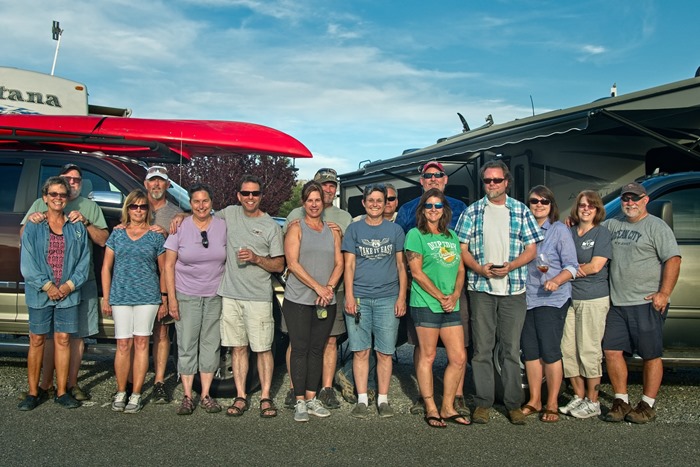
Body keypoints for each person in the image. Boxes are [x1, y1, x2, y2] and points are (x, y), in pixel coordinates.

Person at [455, 160, 542, 425]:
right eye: (487, 181)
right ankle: (483, 403)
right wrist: (480, 270)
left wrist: (511, 266)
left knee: (510, 350)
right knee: (482, 349)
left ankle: (513, 404)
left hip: (513, 289)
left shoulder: (521, 211)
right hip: (481, 288)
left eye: (497, 180)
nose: (491, 185)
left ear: (506, 182)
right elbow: (462, 249)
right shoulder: (472, 212)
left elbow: (532, 249)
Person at [21, 163, 108, 402]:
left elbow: (86, 258)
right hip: (42, 291)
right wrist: (48, 286)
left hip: (71, 290)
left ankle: (63, 390)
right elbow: (27, 258)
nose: (60, 197)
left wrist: (68, 286)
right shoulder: (34, 222)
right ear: (45, 198)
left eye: (63, 193)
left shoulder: (78, 223)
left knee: (65, 338)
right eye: (54, 194)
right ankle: (35, 390)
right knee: (38, 339)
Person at [601, 182, 681, 424]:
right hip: (617, 303)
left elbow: (673, 260)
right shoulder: (613, 225)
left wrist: (664, 293)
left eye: (634, 198)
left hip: (645, 302)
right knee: (612, 351)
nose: (629, 203)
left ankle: (647, 404)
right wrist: (570, 223)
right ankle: (621, 400)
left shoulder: (657, 227)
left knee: (650, 354)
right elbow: (589, 230)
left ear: (645, 200)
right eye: (625, 198)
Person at [396, 161, 470, 416]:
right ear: (421, 181)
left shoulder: (460, 211)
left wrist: (456, 294)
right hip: (424, 296)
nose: (434, 208)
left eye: (438, 175)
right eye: (428, 176)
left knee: (459, 354)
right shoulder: (408, 213)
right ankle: (426, 400)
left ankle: (454, 400)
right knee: (423, 350)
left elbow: (462, 261)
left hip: (453, 296)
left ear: (445, 179)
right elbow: (407, 259)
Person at [215, 175, 285, 418]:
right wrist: (180, 217)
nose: (250, 198)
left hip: (258, 297)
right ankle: (241, 396)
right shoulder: (229, 213)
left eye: (255, 194)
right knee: (238, 347)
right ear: (238, 196)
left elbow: (279, 265)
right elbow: (201, 218)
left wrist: (256, 258)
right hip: (231, 294)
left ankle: (266, 397)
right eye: (246, 194)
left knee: (264, 348)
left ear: (261, 197)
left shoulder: (270, 226)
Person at [283, 168, 351, 410]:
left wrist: (329, 288)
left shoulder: (338, 223)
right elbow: (291, 261)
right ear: (305, 202)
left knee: (322, 345)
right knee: (299, 345)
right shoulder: (295, 222)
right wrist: (319, 287)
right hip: (301, 297)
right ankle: (296, 393)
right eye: (310, 199)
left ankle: (319, 392)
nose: (315, 203)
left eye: (318, 200)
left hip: (329, 296)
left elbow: (341, 260)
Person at [342, 184, 407, 418]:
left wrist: (402, 296)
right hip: (359, 298)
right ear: (364, 202)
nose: (375, 204)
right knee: (360, 351)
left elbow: (401, 265)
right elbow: (348, 265)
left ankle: (383, 399)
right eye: (371, 200)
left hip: (387, 299)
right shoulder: (354, 230)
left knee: (385, 352)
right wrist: (349, 296)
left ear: (386, 203)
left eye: (380, 200)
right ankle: (361, 399)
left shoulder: (396, 230)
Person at [163, 183, 227, 415]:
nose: (201, 206)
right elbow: (169, 265)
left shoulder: (222, 226)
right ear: (190, 204)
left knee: (211, 345)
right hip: (186, 294)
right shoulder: (180, 227)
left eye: (205, 201)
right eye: (196, 201)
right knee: (187, 344)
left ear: (212, 203)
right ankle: (188, 395)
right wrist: (171, 299)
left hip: (214, 295)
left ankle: (206, 394)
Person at [102, 189, 166, 413]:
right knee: (122, 344)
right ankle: (121, 390)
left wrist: (164, 298)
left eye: (142, 206)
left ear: (148, 210)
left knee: (141, 344)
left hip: (147, 297)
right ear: (127, 209)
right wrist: (106, 297)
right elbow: (106, 267)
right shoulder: (117, 234)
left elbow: (163, 269)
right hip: (120, 296)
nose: (138, 211)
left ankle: (136, 394)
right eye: (134, 206)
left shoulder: (156, 235)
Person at [520, 186, 578, 423]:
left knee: (550, 352)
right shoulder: (523, 231)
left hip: (552, 300)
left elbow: (572, 266)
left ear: (551, 205)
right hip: (526, 298)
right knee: (531, 353)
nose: (539, 204)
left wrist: (555, 280)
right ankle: (534, 400)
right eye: (534, 201)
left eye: (544, 201)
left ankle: (552, 402)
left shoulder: (558, 231)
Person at [559, 190, 612, 419]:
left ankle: (593, 401)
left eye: (591, 205)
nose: (586, 209)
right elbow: (559, 259)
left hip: (593, 298)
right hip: (570, 297)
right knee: (568, 350)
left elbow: (596, 266)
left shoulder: (602, 233)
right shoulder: (569, 232)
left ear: (597, 209)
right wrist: (571, 268)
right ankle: (578, 396)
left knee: (589, 351)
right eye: (582, 205)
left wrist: (570, 270)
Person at [142, 166, 183, 404]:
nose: (156, 185)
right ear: (145, 184)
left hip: (164, 281)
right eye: (152, 181)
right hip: (138, 281)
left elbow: (199, 216)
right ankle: (129, 383)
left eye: (161, 181)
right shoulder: (137, 207)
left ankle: (158, 382)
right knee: (135, 336)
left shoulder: (176, 213)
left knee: (162, 331)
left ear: (168, 185)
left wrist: (184, 217)